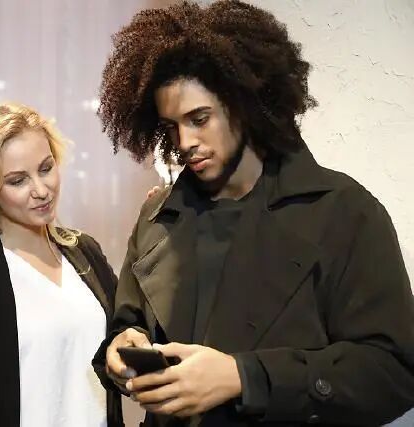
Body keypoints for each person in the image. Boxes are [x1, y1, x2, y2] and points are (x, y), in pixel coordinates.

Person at [92, 1, 414, 426]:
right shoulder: (157, 216)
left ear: (244, 105)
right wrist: (122, 347)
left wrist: (244, 377)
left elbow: (392, 372)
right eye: (171, 127)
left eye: (199, 118)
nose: (184, 142)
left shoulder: (344, 213)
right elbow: (129, 322)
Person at [0, 103, 123, 427]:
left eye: (46, 168)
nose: (41, 190)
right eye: (17, 181)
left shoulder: (85, 252)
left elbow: (130, 336)